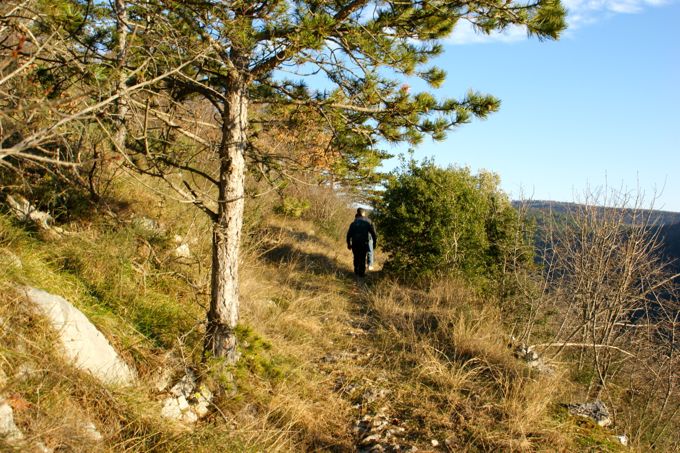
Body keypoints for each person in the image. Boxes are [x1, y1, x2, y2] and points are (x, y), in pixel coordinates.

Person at [346, 207, 378, 277]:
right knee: (362, 257)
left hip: (355, 242)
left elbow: (348, 235)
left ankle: (356, 271)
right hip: (364, 242)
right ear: (364, 213)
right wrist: (374, 242)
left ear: (357, 213)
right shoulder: (368, 222)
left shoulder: (353, 223)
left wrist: (349, 243)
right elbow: (373, 233)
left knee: (356, 256)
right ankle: (361, 273)